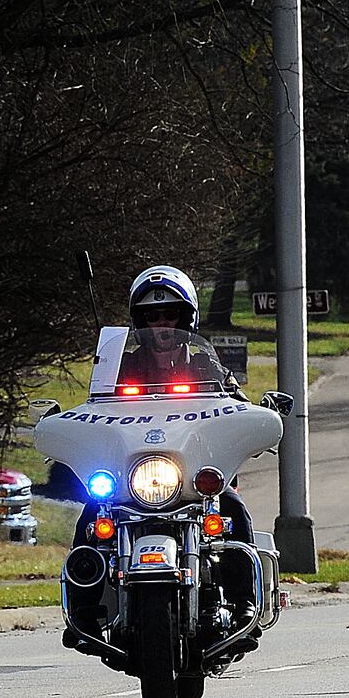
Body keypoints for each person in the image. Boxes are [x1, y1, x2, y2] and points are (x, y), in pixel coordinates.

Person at [67, 266, 258, 647]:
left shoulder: (207, 365)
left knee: (233, 509)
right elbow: (92, 412)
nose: (162, 324)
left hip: (193, 482)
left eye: (170, 314)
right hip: (132, 482)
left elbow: (238, 405)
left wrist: (254, 416)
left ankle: (244, 604)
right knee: (91, 514)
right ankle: (83, 613)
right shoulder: (118, 370)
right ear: (139, 322)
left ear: (187, 318)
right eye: (152, 317)